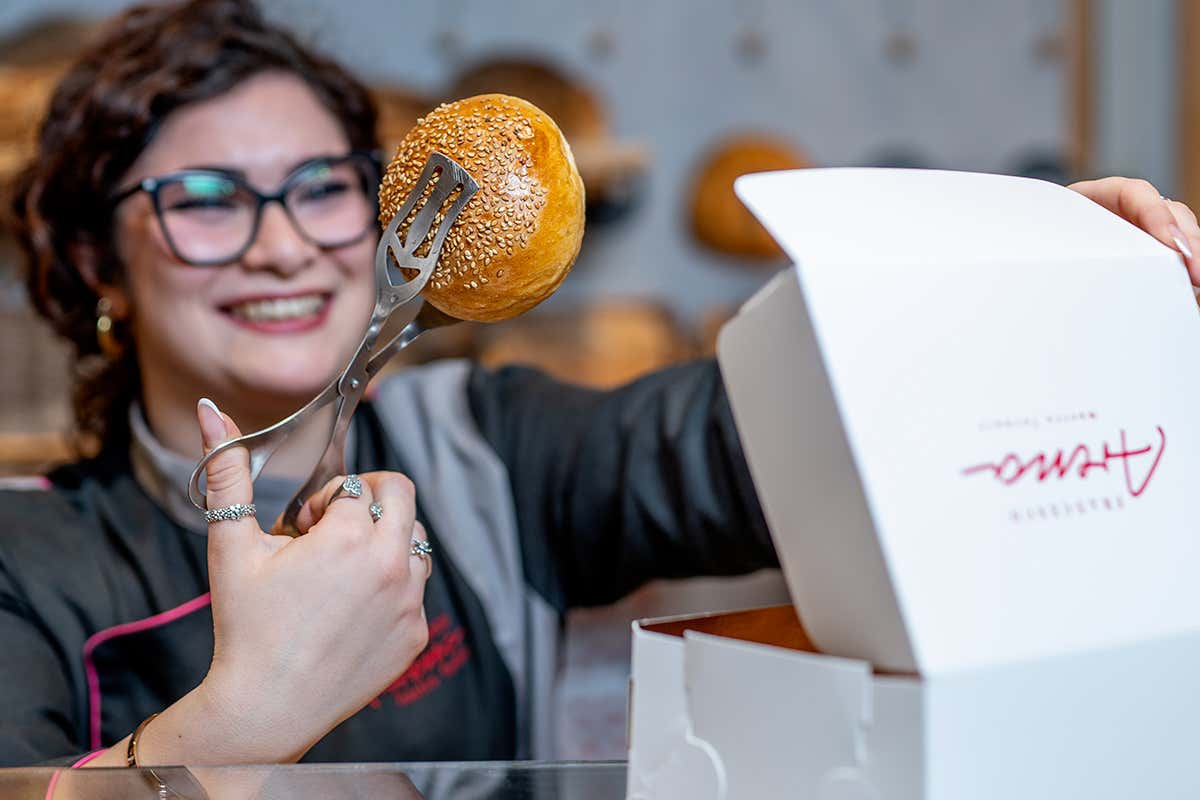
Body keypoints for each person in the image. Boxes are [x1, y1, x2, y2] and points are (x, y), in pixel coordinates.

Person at [2, 0, 1198, 773]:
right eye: (206, 200)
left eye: (322, 185)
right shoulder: (30, 557)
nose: (283, 245)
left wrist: (985, 292)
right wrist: (238, 721)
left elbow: (760, 439)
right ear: (98, 258)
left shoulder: (484, 451)